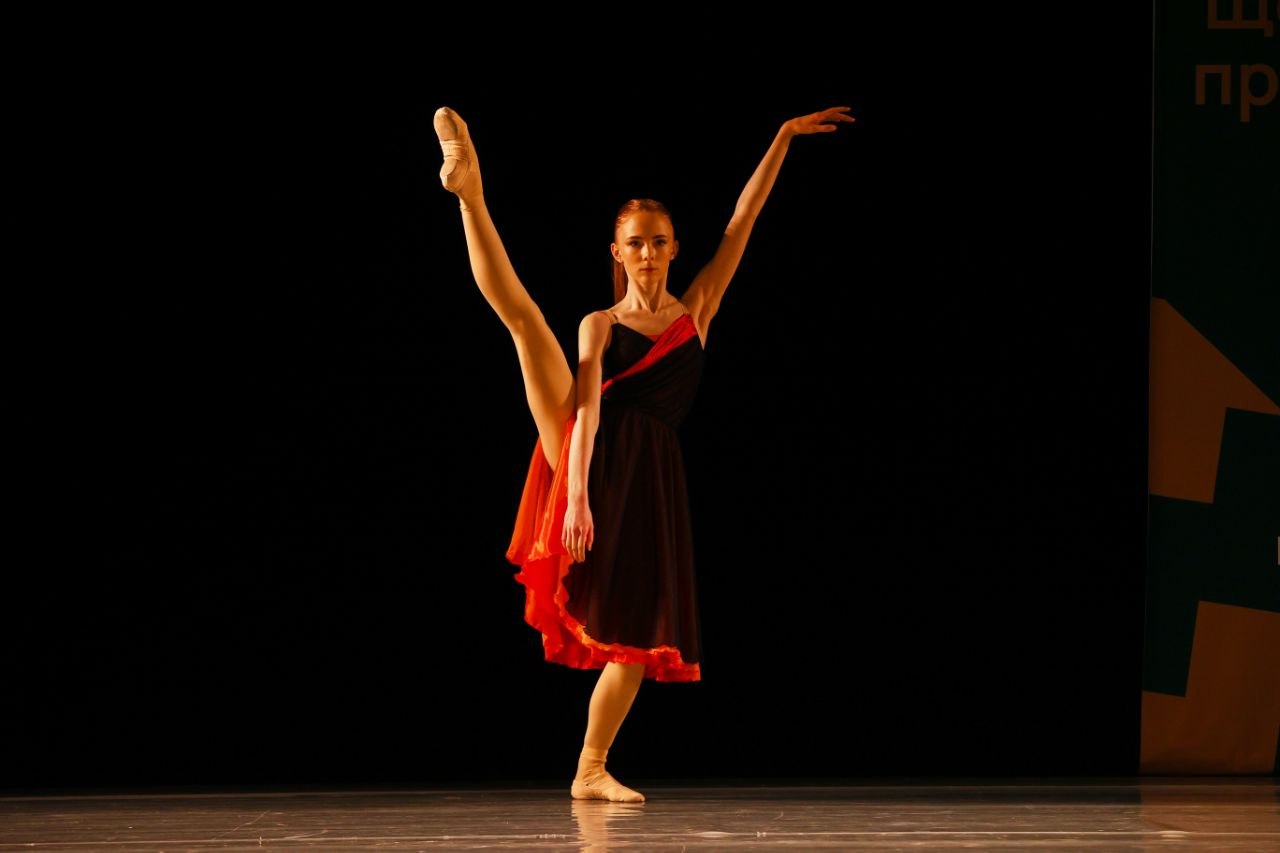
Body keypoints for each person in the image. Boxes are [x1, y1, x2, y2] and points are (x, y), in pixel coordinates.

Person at [433, 103, 854, 803]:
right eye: (635, 243)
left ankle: (590, 768)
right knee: (525, 323)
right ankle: (469, 192)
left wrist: (782, 138)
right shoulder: (599, 323)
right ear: (617, 252)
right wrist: (575, 497)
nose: (648, 253)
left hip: (650, 474)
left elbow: (742, 221)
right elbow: (590, 407)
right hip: (588, 446)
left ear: (674, 247)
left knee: (635, 632)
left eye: (658, 241)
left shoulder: (696, 313)